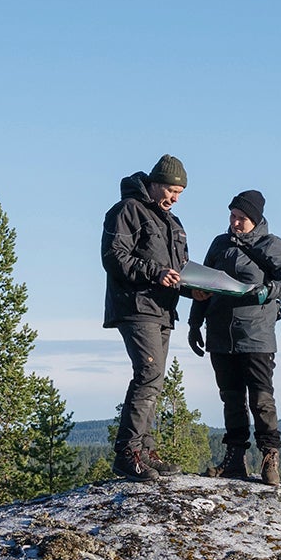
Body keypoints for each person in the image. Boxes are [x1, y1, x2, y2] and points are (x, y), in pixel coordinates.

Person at [187, 189, 281, 484]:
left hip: (257, 334)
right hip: (220, 333)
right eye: (233, 216)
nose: (235, 223)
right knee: (231, 398)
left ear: (256, 219)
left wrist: (268, 291)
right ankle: (235, 459)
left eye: (242, 218)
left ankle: (269, 458)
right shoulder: (219, 244)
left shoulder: (271, 245)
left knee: (261, 399)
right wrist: (194, 324)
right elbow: (202, 285)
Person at [100, 155, 188, 480]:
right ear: (155, 183)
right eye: (171, 190)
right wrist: (154, 272)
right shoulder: (126, 211)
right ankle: (127, 454)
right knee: (148, 374)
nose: (175, 198)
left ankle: (145, 452)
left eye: (179, 193)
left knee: (155, 381)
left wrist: (197, 289)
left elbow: (180, 271)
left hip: (164, 310)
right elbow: (114, 257)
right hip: (136, 306)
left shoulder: (173, 223)